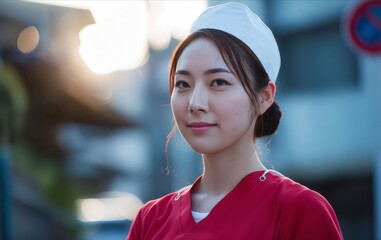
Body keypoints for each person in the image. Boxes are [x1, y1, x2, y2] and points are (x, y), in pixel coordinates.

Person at [127, 2, 343, 239]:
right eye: (183, 84)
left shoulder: (298, 209)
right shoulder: (149, 220)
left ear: (265, 97)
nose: (195, 103)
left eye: (219, 82)